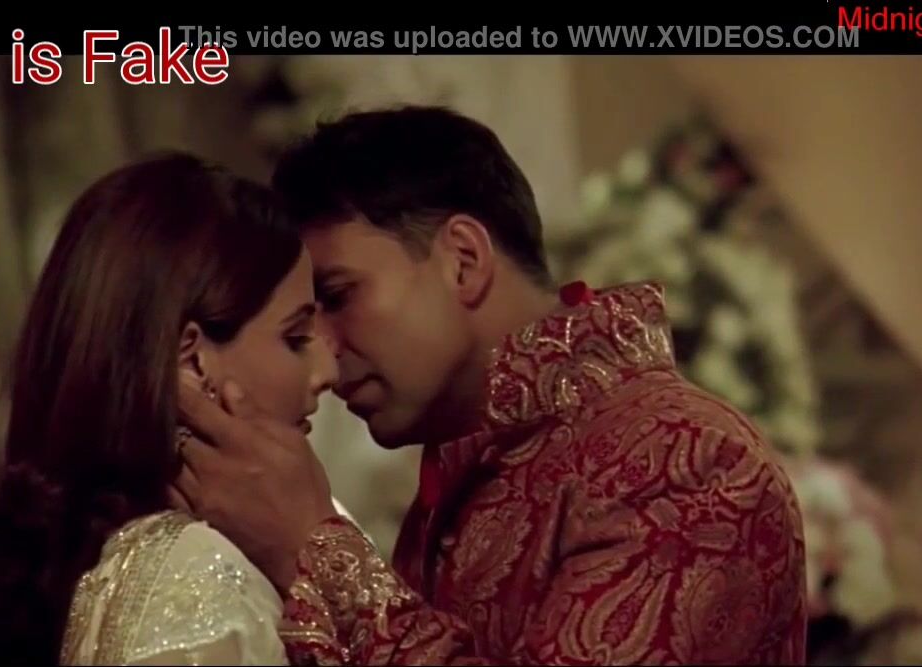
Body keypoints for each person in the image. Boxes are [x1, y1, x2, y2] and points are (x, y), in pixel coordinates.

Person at [172, 106, 809, 665]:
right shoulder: (469, 473)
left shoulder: (683, 458)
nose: (325, 358)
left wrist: (314, 550)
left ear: (464, 260)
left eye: (338, 297)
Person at [0, 152, 341, 665]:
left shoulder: (74, 560)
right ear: (193, 362)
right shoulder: (202, 575)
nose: (327, 372)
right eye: (295, 338)